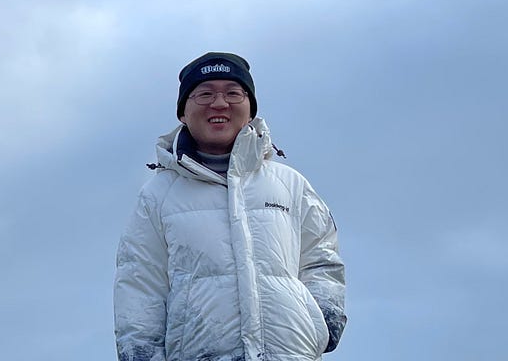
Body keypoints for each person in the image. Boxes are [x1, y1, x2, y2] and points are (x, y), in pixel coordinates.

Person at [115, 52, 346, 361]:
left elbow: (322, 258)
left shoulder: (290, 184)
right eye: (205, 94)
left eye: (233, 93)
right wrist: (140, 354)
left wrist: (323, 319)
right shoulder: (157, 196)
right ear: (183, 112)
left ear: (250, 109)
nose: (219, 103)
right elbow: (139, 282)